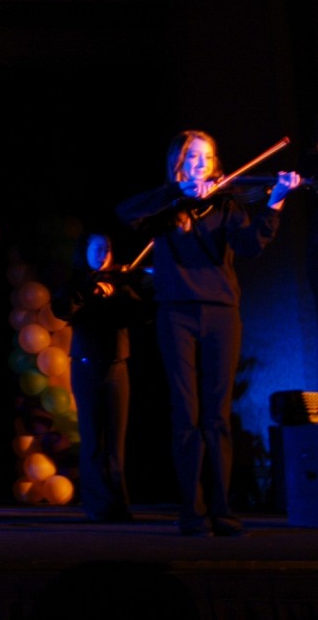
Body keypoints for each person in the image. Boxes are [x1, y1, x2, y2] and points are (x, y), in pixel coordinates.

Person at [116, 130, 300, 537]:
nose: (201, 164)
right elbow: (126, 212)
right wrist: (180, 196)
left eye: (207, 157)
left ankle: (222, 509)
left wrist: (275, 201)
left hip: (221, 313)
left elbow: (250, 246)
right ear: (178, 163)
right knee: (186, 413)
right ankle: (191, 510)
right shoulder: (165, 206)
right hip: (175, 314)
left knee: (216, 416)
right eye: (193, 158)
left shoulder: (228, 203)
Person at [50, 232, 153, 523]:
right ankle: (97, 505)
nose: (103, 254)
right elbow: (63, 308)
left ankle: (118, 505)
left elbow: (142, 313)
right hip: (86, 365)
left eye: (107, 248)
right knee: (93, 439)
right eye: (96, 248)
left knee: (115, 441)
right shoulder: (76, 282)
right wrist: (90, 290)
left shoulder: (121, 281)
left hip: (117, 365)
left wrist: (123, 291)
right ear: (84, 251)